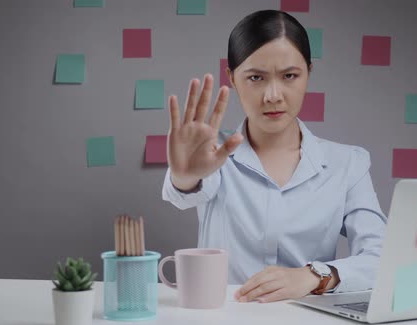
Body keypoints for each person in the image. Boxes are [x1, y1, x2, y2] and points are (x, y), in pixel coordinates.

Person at [162, 9, 387, 303]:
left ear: (309, 72)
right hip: (225, 319)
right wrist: (184, 176)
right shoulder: (212, 153)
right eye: (256, 77)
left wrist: (314, 276)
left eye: (290, 76)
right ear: (231, 77)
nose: (273, 95)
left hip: (309, 321)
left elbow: (382, 258)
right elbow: (182, 194)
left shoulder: (347, 164)